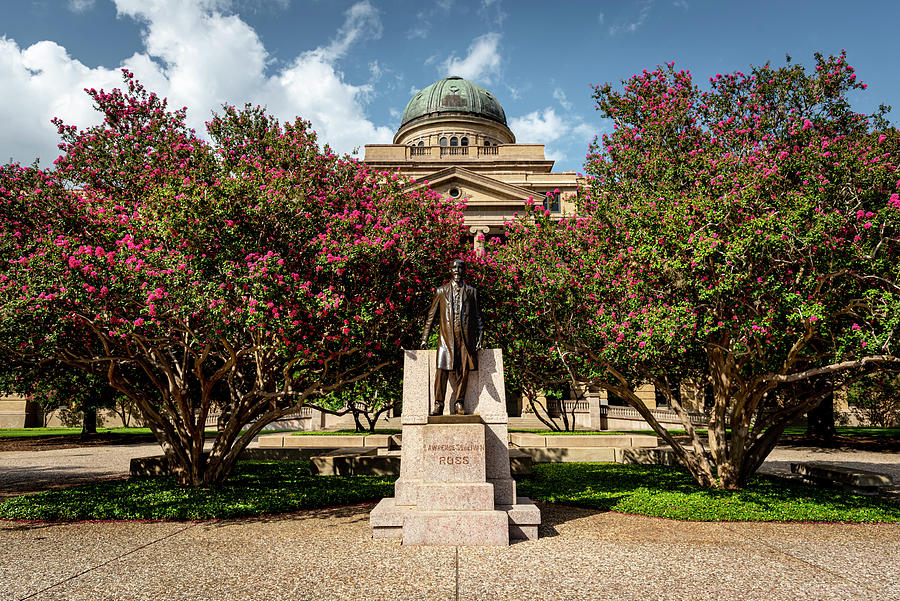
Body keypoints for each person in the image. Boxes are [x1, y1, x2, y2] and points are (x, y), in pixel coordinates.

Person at [420, 259, 483, 415]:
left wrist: (481, 336)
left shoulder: (471, 291)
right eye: (454, 268)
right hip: (445, 339)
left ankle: (459, 402)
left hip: (465, 339)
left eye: (460, 268)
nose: (457, 270)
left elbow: (478, 317)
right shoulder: (441, 291)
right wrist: (424, 338)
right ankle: (438, 404)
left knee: (463, 371)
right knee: (441, 371)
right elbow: (431, 317)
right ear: (450, 270)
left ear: (464, 271)